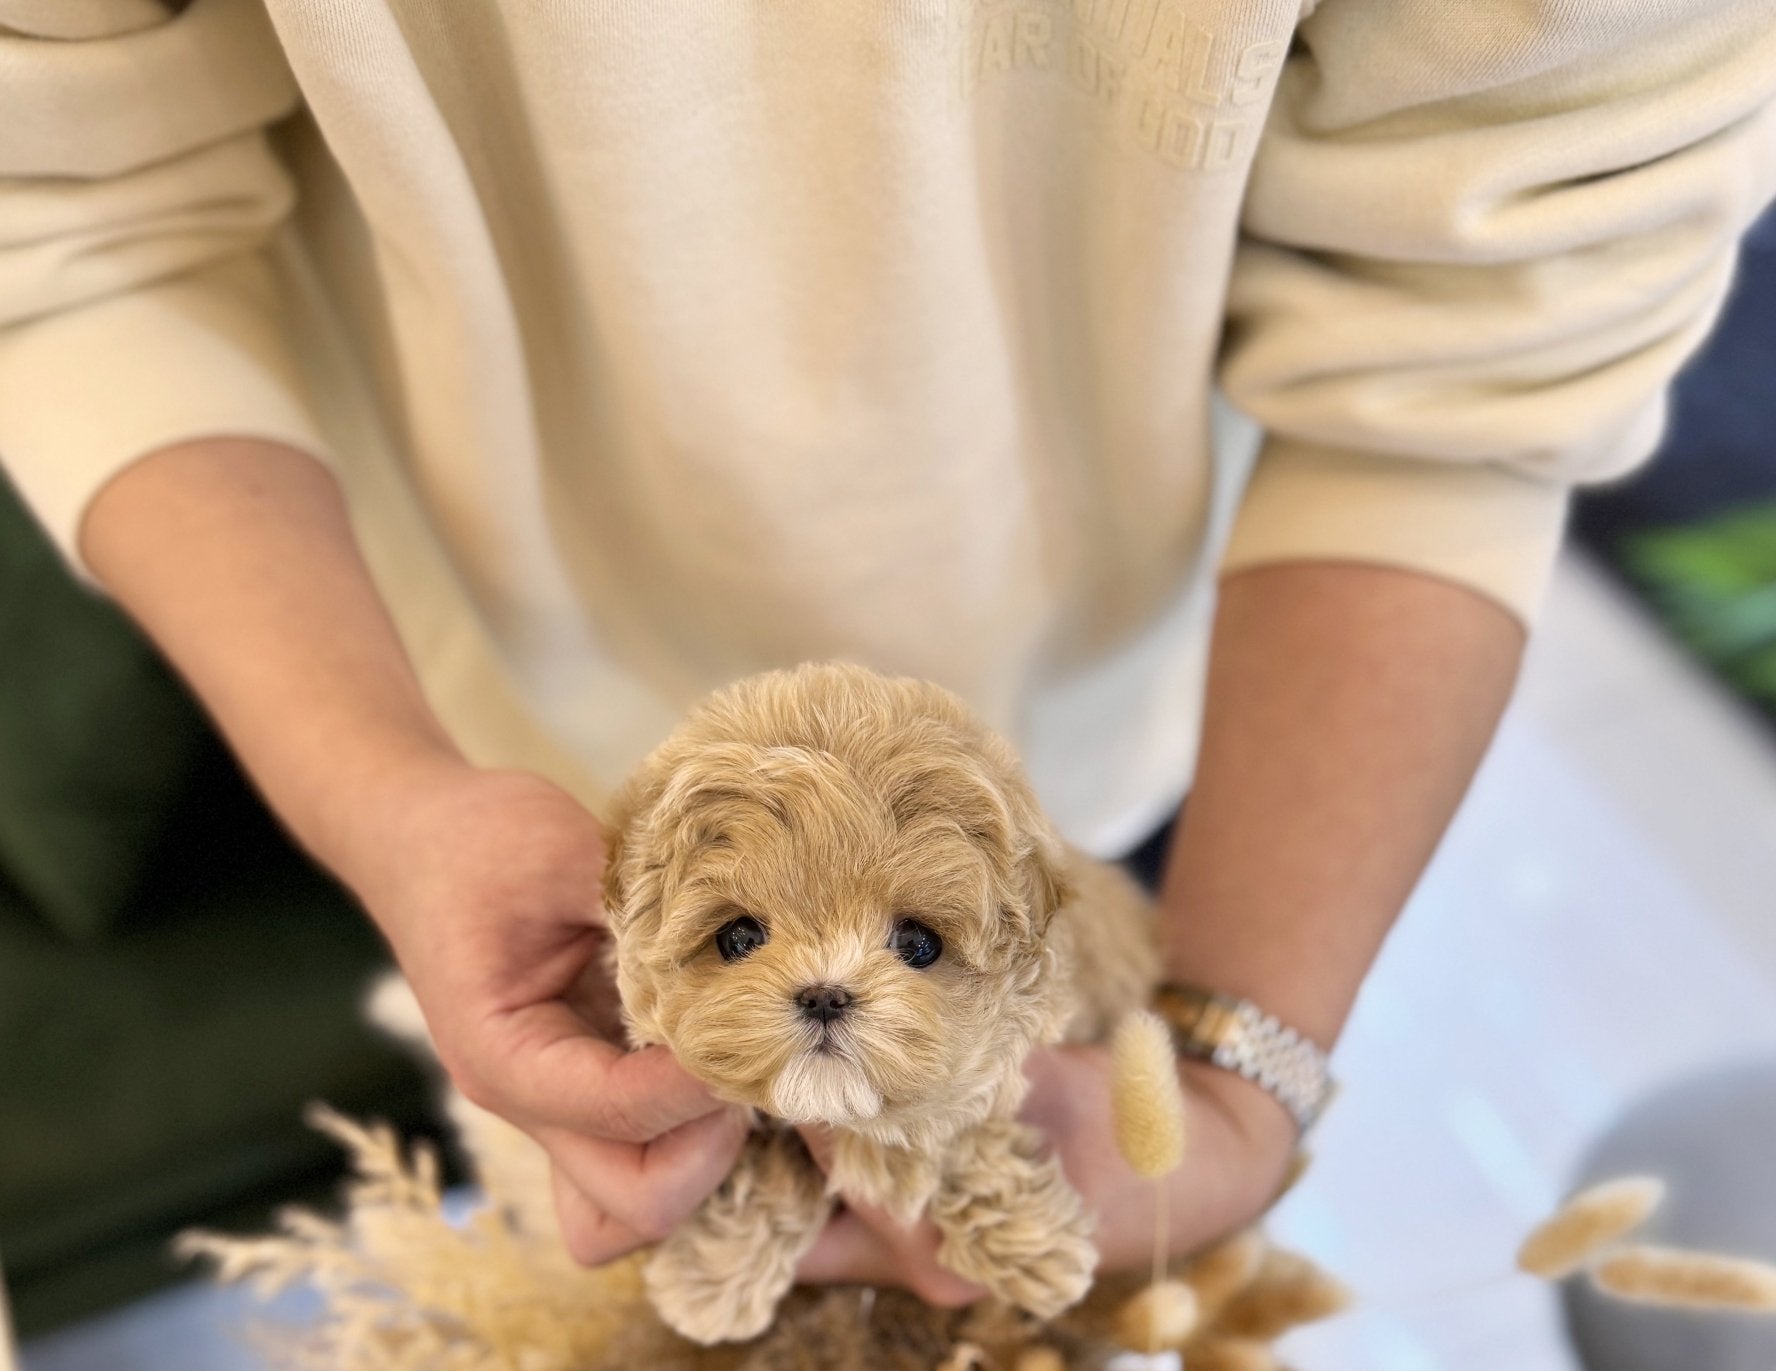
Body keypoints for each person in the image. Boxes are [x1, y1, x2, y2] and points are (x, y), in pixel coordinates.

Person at [4, 1, 1773, 1304]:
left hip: (1166, 703)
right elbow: (72, 209)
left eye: (899, 941)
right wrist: (382, 791)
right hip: (463, 712)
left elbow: (1473, 357)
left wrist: (1241, 1063)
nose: (837, 981)